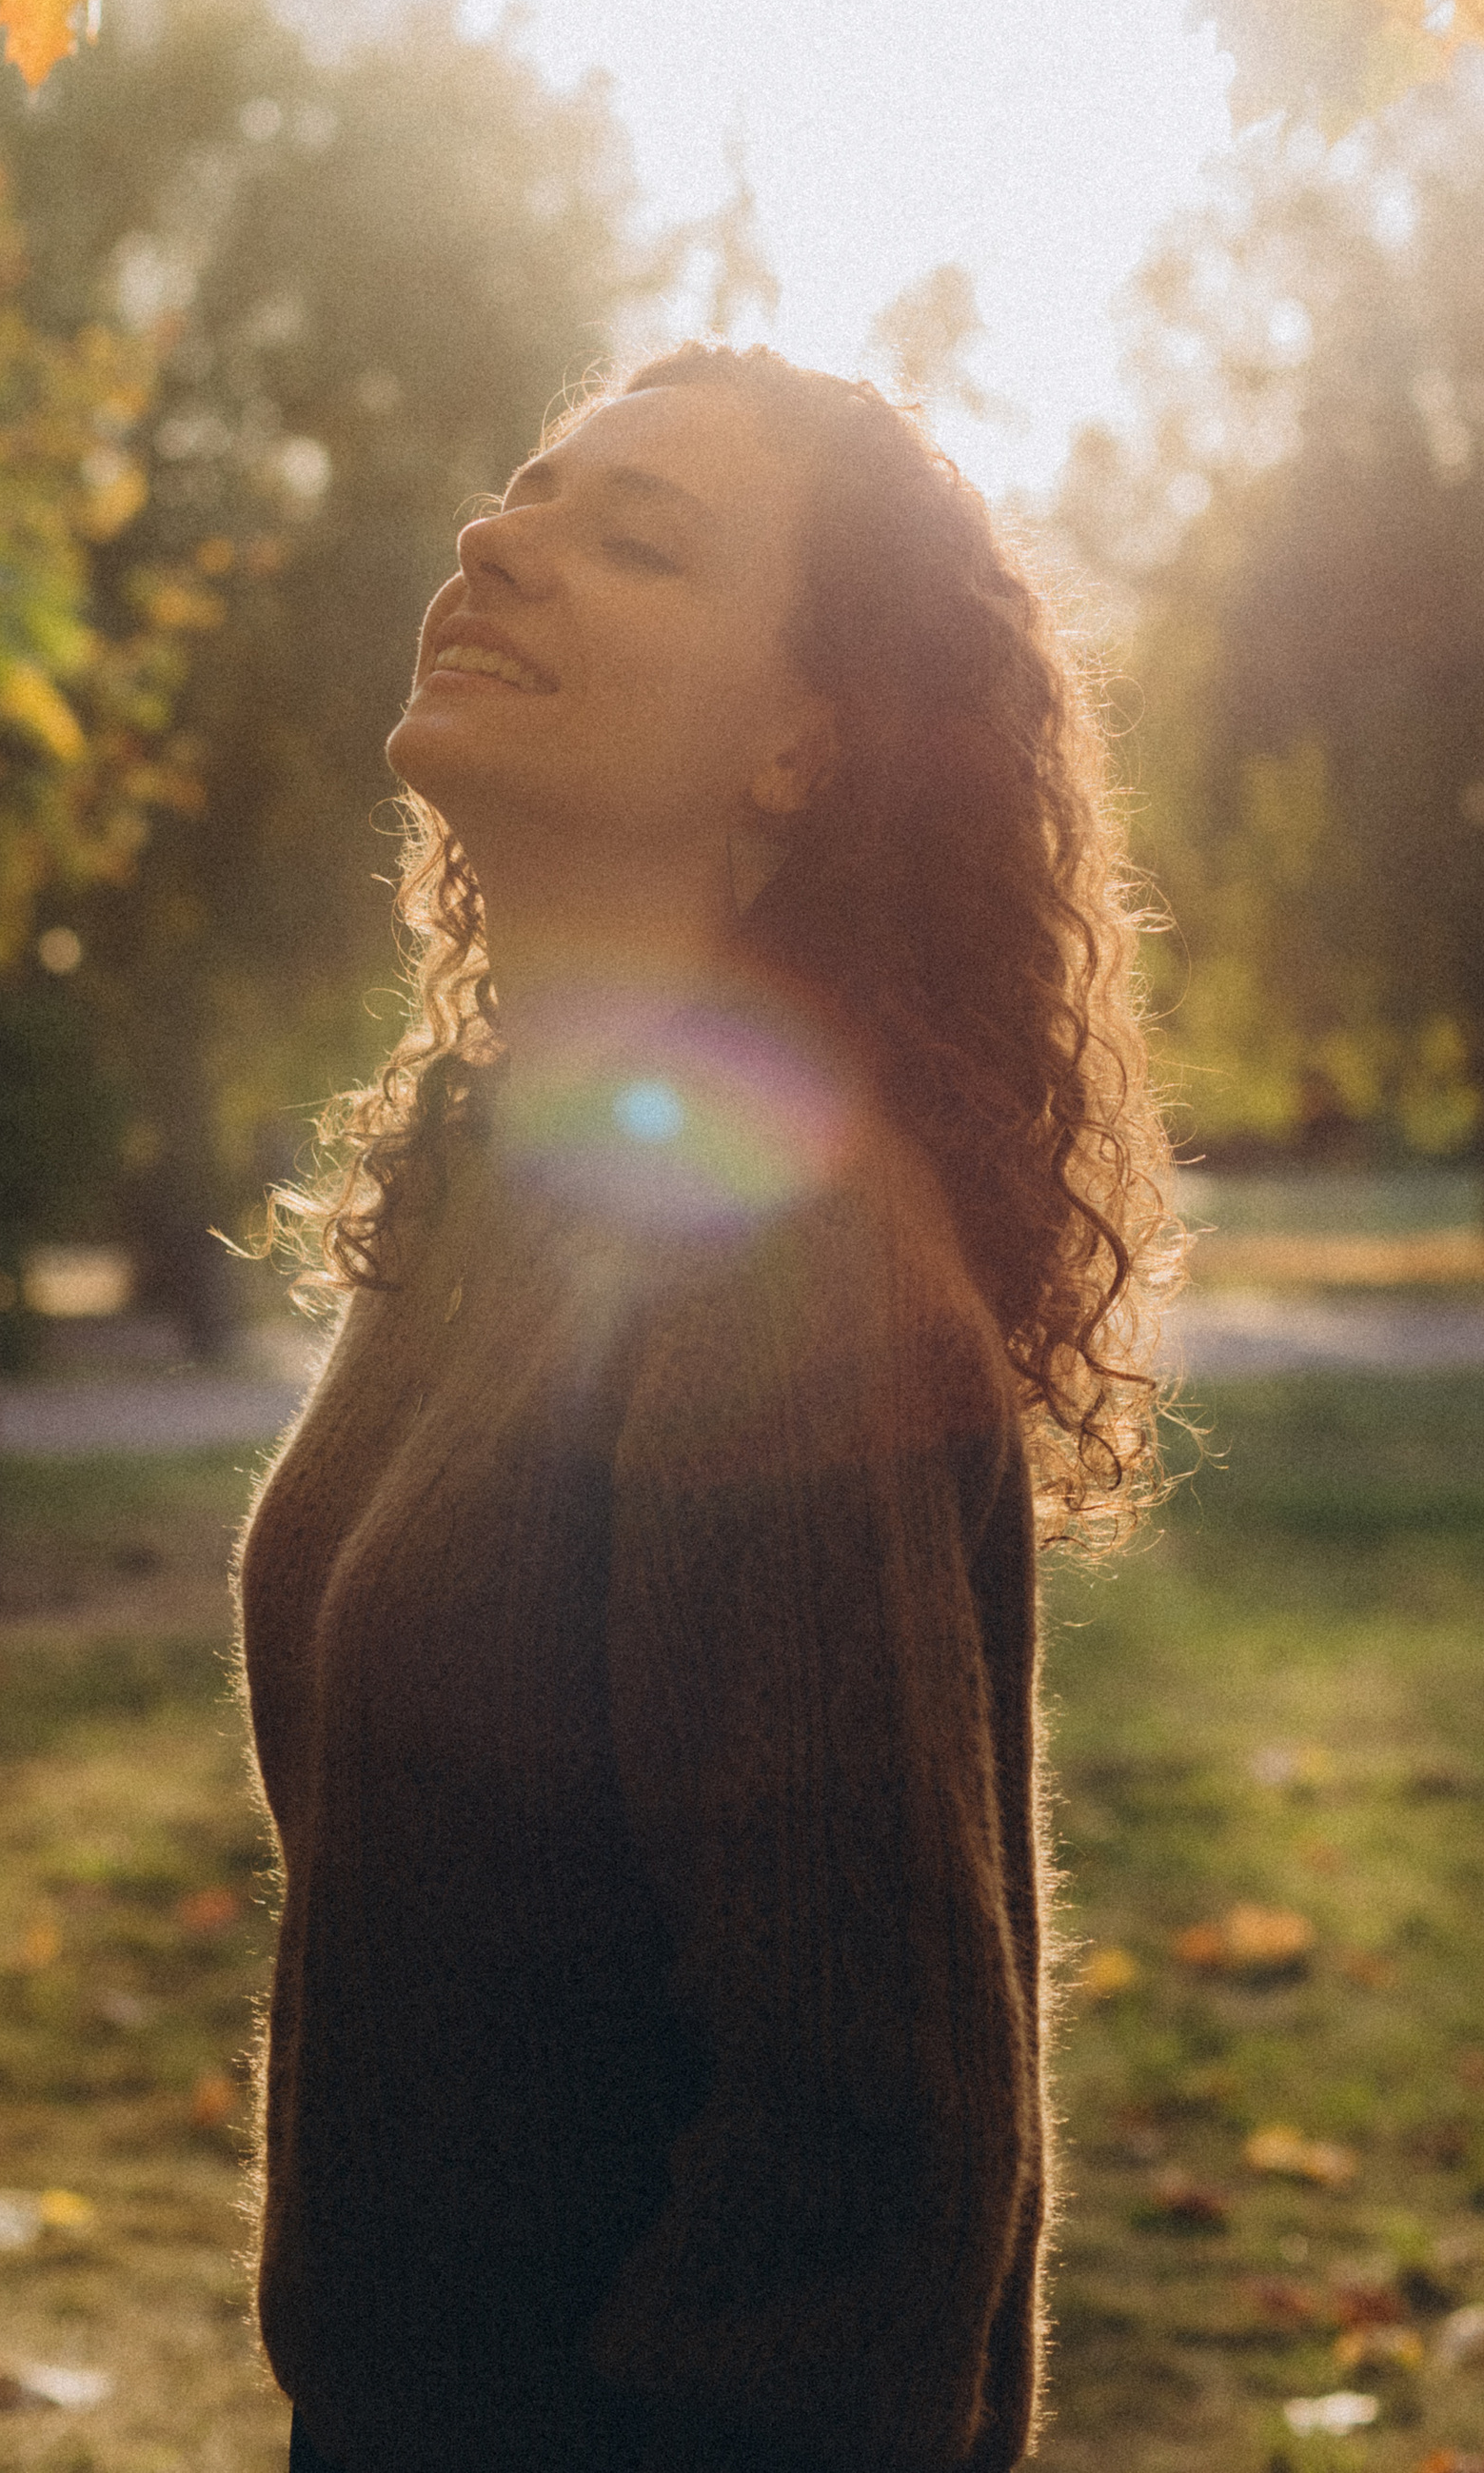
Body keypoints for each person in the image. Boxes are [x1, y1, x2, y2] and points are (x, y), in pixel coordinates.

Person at [235, 343, 1181, 2473]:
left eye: (631, 537)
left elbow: (871, 2146)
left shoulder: (775, 1262)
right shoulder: (519, 1178)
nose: (497, 540)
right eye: (523, 491)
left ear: (793, 750)